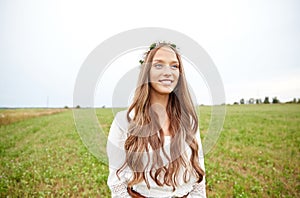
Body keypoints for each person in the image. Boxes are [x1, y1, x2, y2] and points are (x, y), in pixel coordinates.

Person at [106, 42, 206, 198]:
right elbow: (117, 184)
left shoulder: (189, 121)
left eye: (174, 66)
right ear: (146, 73)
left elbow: (199, 180)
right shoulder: (124, 121)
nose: (168, 72)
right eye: (159, 65)